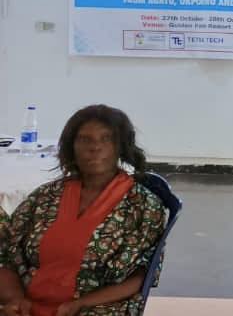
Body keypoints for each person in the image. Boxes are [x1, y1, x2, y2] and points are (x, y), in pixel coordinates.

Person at [0, 105, 166, 316]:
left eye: (106, 139)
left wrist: (80, 304)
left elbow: (140, 277)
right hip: (27, 303)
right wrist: (15, 300)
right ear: (72, 147)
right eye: (85, 139)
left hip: (96, 308)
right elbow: (6, 254)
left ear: (121, 146)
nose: (95, 147)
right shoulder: (46, 196)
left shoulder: (143, 206)